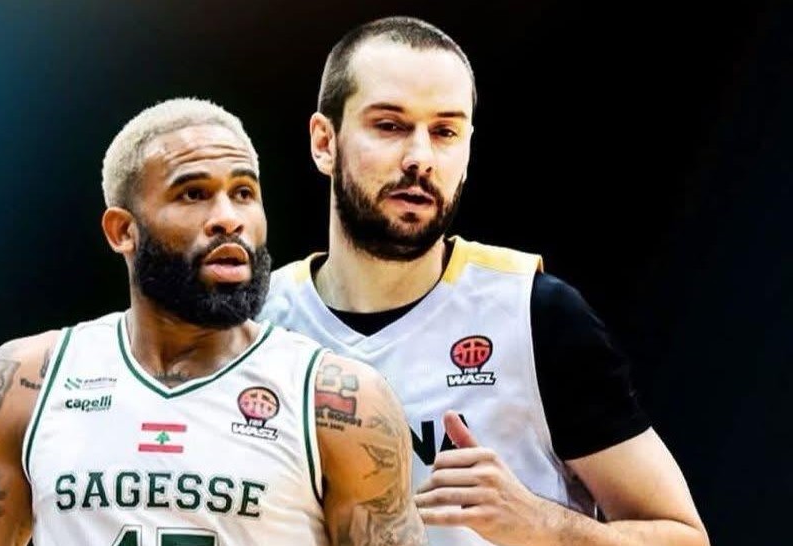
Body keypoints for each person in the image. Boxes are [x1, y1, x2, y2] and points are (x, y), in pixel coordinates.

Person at [259, 17, 709, 546]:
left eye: (444, 132)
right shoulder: (255, 327)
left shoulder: (534, 314)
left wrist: (540, 524)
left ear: (467, 151)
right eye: (390, 126)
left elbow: (685, 537)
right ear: (324, 142)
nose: (420, 158)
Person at [0, 98, 426, 546]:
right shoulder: (28, 381)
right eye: (193, 194)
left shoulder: (336, 400)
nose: (228, 218)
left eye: (243, 193)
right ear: (122, 231)